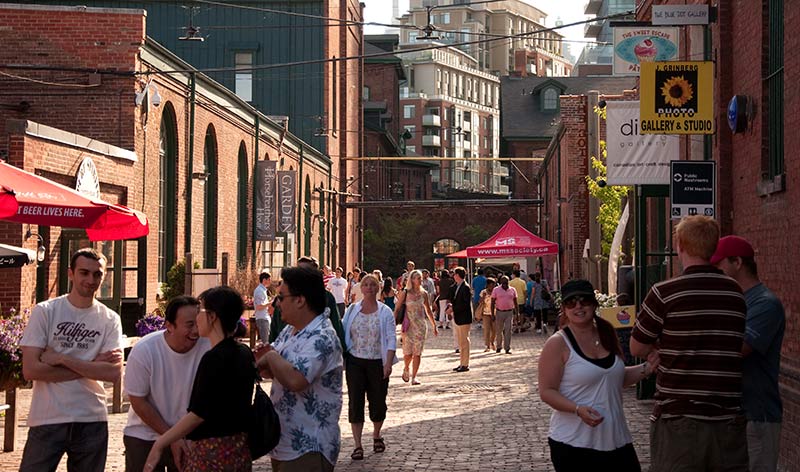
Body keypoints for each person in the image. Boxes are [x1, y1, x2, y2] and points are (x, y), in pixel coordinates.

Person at [630, 215, 748, 472]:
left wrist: (658, 351)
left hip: (679, 417)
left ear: (679, 246)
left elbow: (636, 347)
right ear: (713, 247)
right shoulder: (735, 292)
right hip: (727, 417)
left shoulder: (665, 293)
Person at [18, 248, 123, 472]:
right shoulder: (45, 312)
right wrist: (91, 365)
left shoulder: (109, 319)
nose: (90, 280)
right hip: (47, 417)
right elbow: (31, 370)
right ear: (71, 273)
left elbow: (114, 374)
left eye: (97, 274)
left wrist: (60, 358)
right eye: (84, 273)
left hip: (92, 418)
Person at [539, 279, 653, 471]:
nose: (578, 306)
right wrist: (577, 409)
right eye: (571, 302)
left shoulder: (606, 332)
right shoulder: (558, 343)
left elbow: (613, 378)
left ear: (594, 303)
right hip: (575, 443)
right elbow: (547, 391)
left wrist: (647, 368)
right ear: (564, 308)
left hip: (616, 438)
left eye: (584, 301)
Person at [143, 286, 257, 472]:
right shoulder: (243, 352)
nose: (197, 318)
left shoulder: (214, 358)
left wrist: (160, 443)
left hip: (212, 452)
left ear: (212, 317)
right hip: (238, 449)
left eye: (200, 311)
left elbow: (198, 414)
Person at [256, 267, 343, 472]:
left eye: (281, 297)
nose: (277, 303)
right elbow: (272, 370)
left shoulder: (322, 337)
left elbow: (296, 380)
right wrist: (267, 362)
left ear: (300, 300)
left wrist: (270, 357)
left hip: (309, 446)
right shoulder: (291, 330)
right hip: (285, 443)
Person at [711, 235, 785, 472]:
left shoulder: (765, 304)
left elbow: (738, 349)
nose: (716, 271)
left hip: (757, 415)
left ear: (738, 263)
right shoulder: (734, 301)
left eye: (719, 265)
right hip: (735, 415)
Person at [123, 296, 211, 472]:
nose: (195, 331)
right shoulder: (145, 350)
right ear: (169, 326)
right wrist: (170, 437)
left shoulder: (208, 347)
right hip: (144, 433)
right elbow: (138, 401)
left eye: (198, 323)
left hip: (189, 435)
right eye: (189, 325)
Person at [341, 274, 397, 461]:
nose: (369, 288)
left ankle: (376, 434)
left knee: (378, 401)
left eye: (373, 285)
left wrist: (388, 362)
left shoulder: (385, 312)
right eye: (366, 284)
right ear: (361, 288)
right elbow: (342, 332)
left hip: (377, 361)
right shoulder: (352, 310)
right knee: (355, 402)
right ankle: (357, 445)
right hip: (355, 361)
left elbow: (391, 338)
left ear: (378, 287)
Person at [270, 257, 346, 351]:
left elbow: (336, 324)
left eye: (304, 273)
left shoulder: (321, 338)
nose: (278, 303)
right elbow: (275, 328)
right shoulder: (288, 328)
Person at [395, 269, 438, 385]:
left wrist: (434, 325)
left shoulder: (423, 294)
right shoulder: (405, 293)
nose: (421, 280)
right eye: (418, 278)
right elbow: (397, 308)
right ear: (412, 280)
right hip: (408, 326)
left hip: (420, 326)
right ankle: (406, 368)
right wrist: (392, 323)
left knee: (418, 352)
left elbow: (428, 310)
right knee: (408, 353)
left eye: (421, 278)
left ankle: (414, 376)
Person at [447, 266, 473, 372]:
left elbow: (465, 304)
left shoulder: (465, 287)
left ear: (457, 275)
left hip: (464, 317)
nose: (453, 276)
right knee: (461, 341)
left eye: (454, 274)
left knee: (464, 342)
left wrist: (453, 309)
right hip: (458, 317)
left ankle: (465, 364)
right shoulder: (457, 286)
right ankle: (462, 362)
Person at [491, 275, 517, 354]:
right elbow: (492, 302)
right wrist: (492, 314)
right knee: (499, 330)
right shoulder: (496, 290)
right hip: (499, 312)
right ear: (501, 282)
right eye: (503, 282)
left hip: (509, 312)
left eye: (506, 282)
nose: (505, 284)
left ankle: (507, 348)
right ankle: (499, 347)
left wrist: (517, 313)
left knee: (508, 330)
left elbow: (515, 302)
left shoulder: (512, 290)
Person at [475, 278, 497, 352]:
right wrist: (483, 297)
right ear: (488, 285)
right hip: (485, 313)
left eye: (494, 284)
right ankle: (487, 345)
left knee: (495, 330)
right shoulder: (483, 292)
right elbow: (480, 302)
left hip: (494, 313)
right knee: (487, 330)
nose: (493, 286)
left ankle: (492, 341)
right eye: (491, 285)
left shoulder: (496, 291)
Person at [254, 272, 272, 343]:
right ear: (264, 280)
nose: (270, 281)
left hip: (265, 317)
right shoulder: (259, 291)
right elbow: (259, 306)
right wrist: (270, 303)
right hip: (262, 318)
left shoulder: (263, 290)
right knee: (265, 341)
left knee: (267, 340)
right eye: (269, 279)